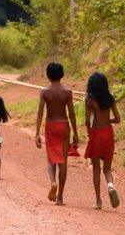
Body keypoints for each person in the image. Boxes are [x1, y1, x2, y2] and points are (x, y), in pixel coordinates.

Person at [34, 62, 79, 205]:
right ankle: (60, 197)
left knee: (51, 158)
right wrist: (76, 133)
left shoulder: (44, 92)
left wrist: (37, 133)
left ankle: (53, 182)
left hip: (50, 125)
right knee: (63, 160)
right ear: (62, 74)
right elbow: (71, 114)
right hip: (64, 125)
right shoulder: (67, 92)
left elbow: (40, 112)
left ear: (48, 75)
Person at [84, 72, 121, 209]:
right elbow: (117, 119)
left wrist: (89, 131)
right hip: (108, 133)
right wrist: (108, 119)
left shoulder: (89, 100)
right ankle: (110, 186)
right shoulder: (110, 99)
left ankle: (98, 201)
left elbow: (87, 121)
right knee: (107, 168)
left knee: (96, 169)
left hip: (96, 133)